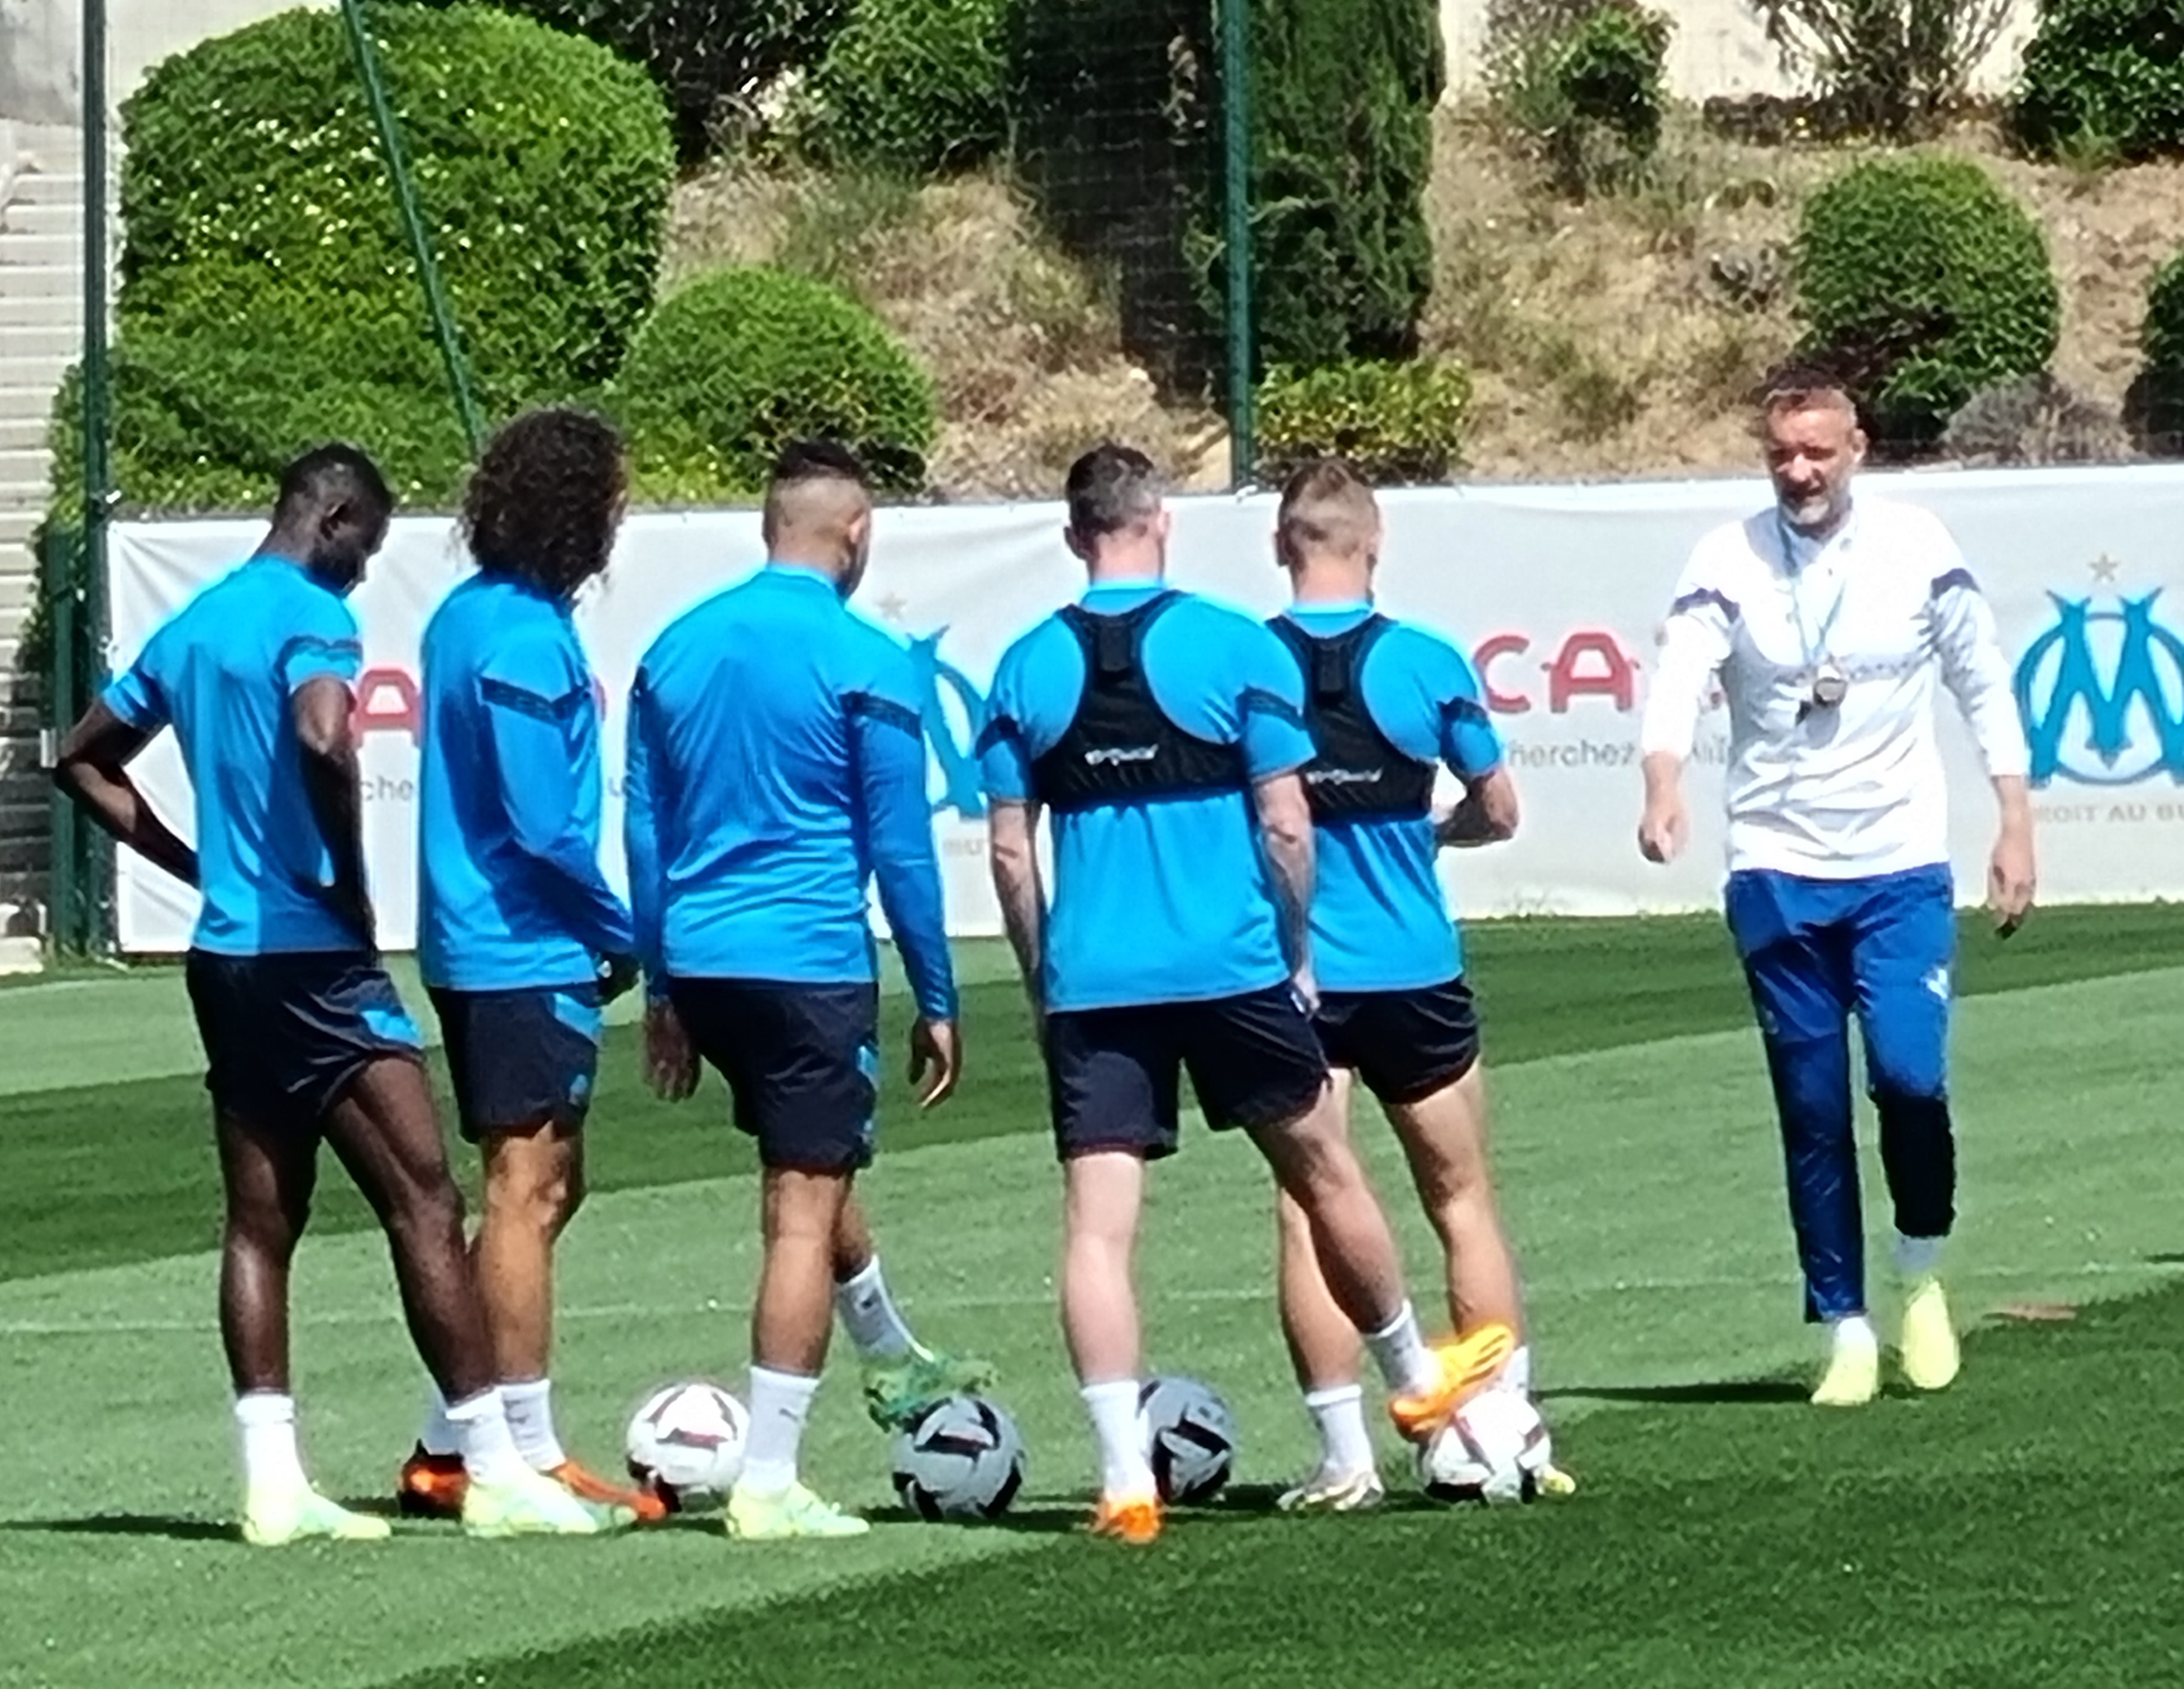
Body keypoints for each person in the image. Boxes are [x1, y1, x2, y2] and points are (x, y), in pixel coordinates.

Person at [52, 445, 616, 1544]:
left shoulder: (196, 623)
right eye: (366, 547)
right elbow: (322, 732)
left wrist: (194, 867)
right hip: (315, 959)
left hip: (225, 958)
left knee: (261, 1223)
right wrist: (346, 883)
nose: (364, 574)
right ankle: (491, 1468)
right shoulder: (313, 617)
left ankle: (274, 1484)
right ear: (336, 517)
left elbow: (81, 759)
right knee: (427, 1202)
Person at [979, 444, 1502, 1547]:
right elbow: (1287, 825)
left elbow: (1013, 854)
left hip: (1097, 980)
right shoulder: (1231, 646)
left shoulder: (1026, 665)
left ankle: (1125, 1477)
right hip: (1230, 966)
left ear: (1075, 536)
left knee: (1099, 1230)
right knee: (1325, 1172)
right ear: (1161, 521)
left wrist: (1040, 978)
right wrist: (1297, 948)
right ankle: (1414, 1378)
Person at [1637, 364, 2036, 1407]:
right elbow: (1678, 676)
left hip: (1899, 866)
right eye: (1782, 455)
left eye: (1818, 451)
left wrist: (2014, 819)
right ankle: (1847, 1327)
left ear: (1858, 447)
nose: (1800, 471)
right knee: (1811, 1105)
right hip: (1775, 867)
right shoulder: (1727, 559)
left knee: (1909, 1077)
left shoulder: (1918, 547)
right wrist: (1663, 781)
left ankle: (1921, 1270)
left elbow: (1982, 679)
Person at [625, 439, 987, 1541]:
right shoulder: (866, 659)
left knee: (809, 1167)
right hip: (807, 963)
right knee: (799, 1208)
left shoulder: (674, 648)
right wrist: (937, 994)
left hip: (704, 961)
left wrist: (661, 986)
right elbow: (902, 850)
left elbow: (644, 831)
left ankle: (889, 1351)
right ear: (857, 533)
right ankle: (770, 1480)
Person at [1261, 459, 1565, 1510]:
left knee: (1309, 1208)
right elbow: (1501, 810)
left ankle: (1344, 1457)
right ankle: (1506, 1422)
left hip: (1295, 977)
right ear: (1375, 544)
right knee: (1461, 1198)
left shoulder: (1248, 664)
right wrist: (1437, 832)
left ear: (1282, 547)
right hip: (1414, 968)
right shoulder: (1425, 662)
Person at [393, 408, 659, 1524]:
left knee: (547, 1186)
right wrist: (620, 929)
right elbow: (544, 824)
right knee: (526, 1190)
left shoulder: (466, 616)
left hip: (476, 939)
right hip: (520, 942)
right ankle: (525, 1449)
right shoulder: (524, 639)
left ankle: (445, 1438)